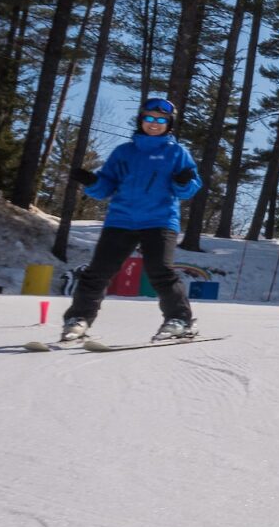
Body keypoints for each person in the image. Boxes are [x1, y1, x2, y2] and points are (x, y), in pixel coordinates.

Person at [57, 97, 205, 344]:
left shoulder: (177, 152)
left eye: (161, 120)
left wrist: (183, 181)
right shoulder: (123, 152)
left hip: (159, 219)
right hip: (121, 219)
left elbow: (189, 190)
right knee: (97, 272)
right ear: (141, 120)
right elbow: (106, 187)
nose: (154, 124)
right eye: (149, 118)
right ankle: (78, 320)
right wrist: (92, 182)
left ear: (169, 124)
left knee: (160, 272)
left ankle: (179, 321)